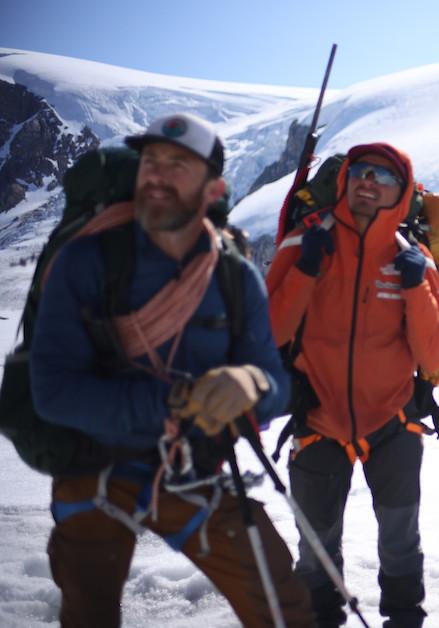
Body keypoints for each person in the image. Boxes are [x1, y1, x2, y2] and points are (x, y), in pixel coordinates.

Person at [30, 113, 313, 627]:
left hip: (192, 471)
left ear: (213, 187)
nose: (157, 174)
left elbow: (274, 386)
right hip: (95, 470)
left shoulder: (233, 276)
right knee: (88, 610)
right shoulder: (87, 262)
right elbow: (52, 392)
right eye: (150, 162)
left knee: (282, 601)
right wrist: (174, 401)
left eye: (178, 164)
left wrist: (249, 383)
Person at [267, 143, 439, 627]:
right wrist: (306, 271)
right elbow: (268, 334)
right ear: (346, 179)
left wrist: (415, 287)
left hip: (393, 420)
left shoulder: (413, 257)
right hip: (318, 419)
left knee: (399, 539)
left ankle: (404, 618)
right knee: (316, 546)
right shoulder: (304, 244)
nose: (369, 182)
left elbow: (435, 352)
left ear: (402, 191)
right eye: (361, 172)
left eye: (384, 177)